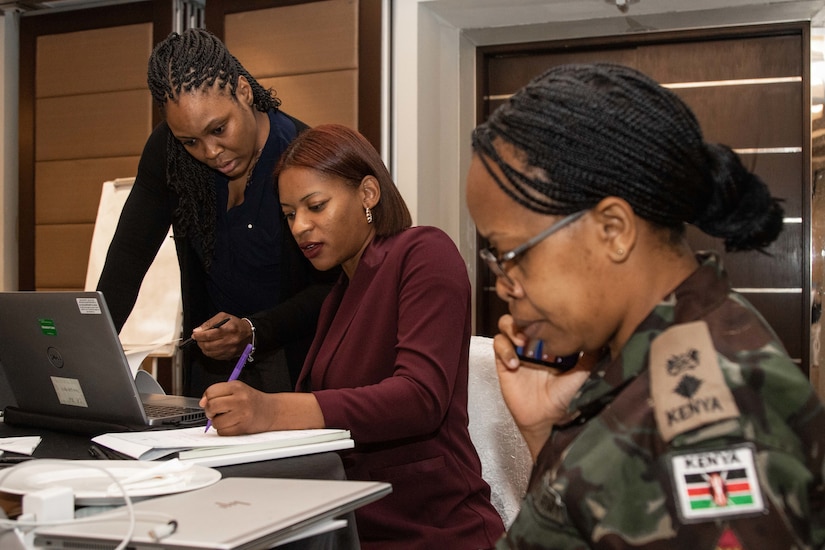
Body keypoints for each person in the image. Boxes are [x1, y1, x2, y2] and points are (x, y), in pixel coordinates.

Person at [465, 62, 825, 549]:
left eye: (511, 254)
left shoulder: (712, 415)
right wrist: (545, 433)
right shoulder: (640, 359)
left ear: (613, 231)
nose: (504, 284)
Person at [200, 124, 505, 549]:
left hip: (432, 528)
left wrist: (272, 411)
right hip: (355, 526)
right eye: (289, 214)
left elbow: (419, 398)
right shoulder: (337, 296)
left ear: (367, 194)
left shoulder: (423, 252)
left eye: (316, 206)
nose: (300, 226)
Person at [97, 29, 336, 397]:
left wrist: (254, 330)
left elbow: (334, 288)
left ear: (244, 91)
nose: (210, 152)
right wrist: (91, 359)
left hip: (294, 363)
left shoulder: (300, 156)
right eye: (190, 141)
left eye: (219, 129)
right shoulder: (169, 153)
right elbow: (127, 259)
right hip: (213, 365)